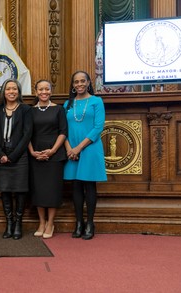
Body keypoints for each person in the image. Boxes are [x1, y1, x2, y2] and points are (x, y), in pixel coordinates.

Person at [63, 71, 107, 240]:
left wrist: (78, 148)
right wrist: (69, 149)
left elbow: (98, 127)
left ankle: (90, 223)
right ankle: (79, 222)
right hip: (71, 148)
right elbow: (63, 129)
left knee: (89, 186)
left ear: (89, 83)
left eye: (83, 81)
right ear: (73, 84)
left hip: (90, 147)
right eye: (76, 82)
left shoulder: (97, 101)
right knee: (75, 186)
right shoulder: (68, 103)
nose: (79, 84)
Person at [0, 78, 33, 240]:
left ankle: (18, 224)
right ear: (3, 92)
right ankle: (9, 223)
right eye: (8, 89)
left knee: (20, 190)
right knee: (6, 190)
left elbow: (27, 134)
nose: (11, 92)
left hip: (19, 156)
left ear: (19, 92)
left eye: (14, 89)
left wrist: (13, 156)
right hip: (2, 156)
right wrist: (1, 154)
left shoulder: (25, 110)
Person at [28, 79, 67, 239]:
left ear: (51, 91)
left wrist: (52, 151)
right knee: (38, 190)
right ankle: (41, 222)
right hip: (35, 155)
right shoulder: (30, 111)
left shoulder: (58, 109)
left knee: (52, 190)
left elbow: (63, 132)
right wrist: (32, 152)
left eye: (47, 89)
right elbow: (26, 134)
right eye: (40, 89)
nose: (44, 92)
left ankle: (50, 223)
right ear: (36, 92)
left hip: (54, 155)